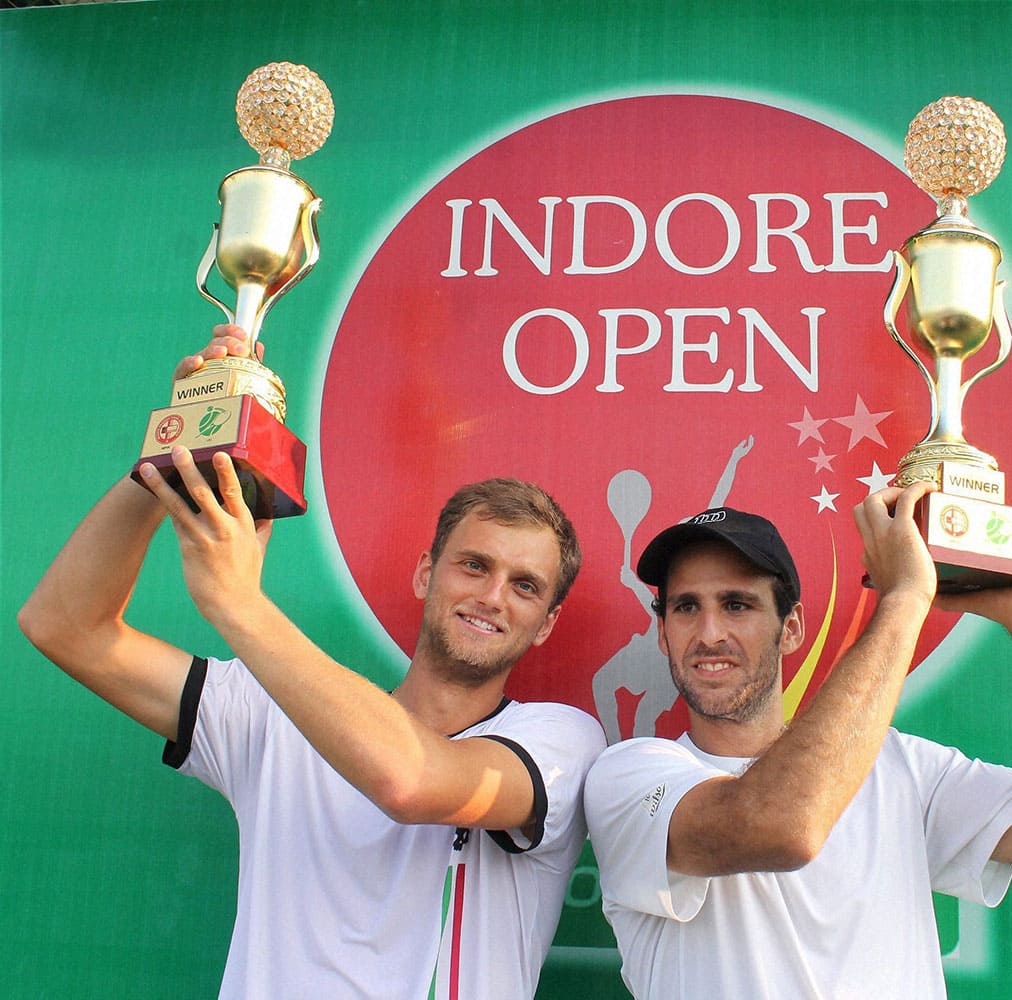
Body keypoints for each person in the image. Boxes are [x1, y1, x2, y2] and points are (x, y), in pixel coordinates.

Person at [19, 325, 606, 1000]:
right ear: (426, 574)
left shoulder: (560, 740)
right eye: (473, 565)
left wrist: (240, 604)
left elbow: (411, 782)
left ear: (546, 625)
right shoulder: (269, 713)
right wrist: (176, 451)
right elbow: (65, 626)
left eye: (524, 586)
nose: (491, 597)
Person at [583, 486, 1012, 999]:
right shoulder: (629, 776)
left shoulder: (902, 768)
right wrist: (905, 598)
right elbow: (784, 827)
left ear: (792, 629)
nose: (709, 633)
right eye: (687, 608)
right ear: (661, 632)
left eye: (737, 604)